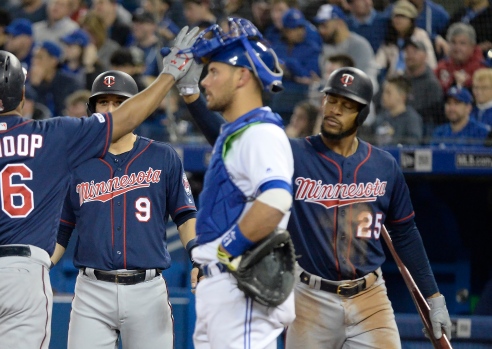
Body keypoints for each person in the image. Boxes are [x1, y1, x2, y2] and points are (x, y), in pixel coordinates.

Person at [0, 25, 199, 346]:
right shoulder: (52, 135)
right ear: (23, 92)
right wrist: (169, 74)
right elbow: (125, 120)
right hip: (20, 273)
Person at [182, 65, 453, 347]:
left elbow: (405, 233)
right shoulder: (295, 154)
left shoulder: (384, 166)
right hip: (310, 296)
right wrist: (192, 95)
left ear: (361, 114)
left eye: (346, 105)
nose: (335, 109)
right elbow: (237, 143)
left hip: (370, 297)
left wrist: (433, 296)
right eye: (332, 100)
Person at [54, 70, 197, 349]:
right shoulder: (77, 163)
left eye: (119, 102)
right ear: (92, 109)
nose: (110, 110)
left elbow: (185, 215)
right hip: (92, 290)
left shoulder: (163, 156)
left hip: (147, 289)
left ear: (136, 107)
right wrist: (36, 268)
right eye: (103, 102)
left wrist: (198, 257)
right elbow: (61, 230)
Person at [180, 17, 296, 348]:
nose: (205, 81)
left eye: (214, 71)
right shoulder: (241, 132)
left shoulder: (261, 132)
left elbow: (276, 200)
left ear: (243, 75)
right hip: (223, 290)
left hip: (239, 288)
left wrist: (222, 250)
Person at [374, 75, 423, 146]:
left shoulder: (412, 120)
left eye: (388, 92)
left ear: (402, 97)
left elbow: (412, 146)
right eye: (383, 92)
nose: (383, 96)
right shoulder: (380, 118)